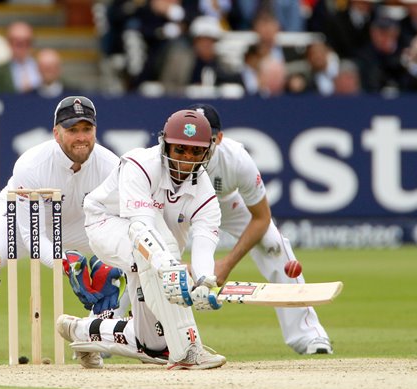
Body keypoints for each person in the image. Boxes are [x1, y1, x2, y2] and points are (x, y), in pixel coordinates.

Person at [0, 96, 122, 366]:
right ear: (56, 133)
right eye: (72, 130)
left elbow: (122, 221)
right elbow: (32, 235)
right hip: (21, 222)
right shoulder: (32, 164)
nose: (81, 137)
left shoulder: (111, 166)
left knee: (126, 256)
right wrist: (63, 261)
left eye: (86, 129)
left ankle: (90, 339)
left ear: (95, 131)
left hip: (80, 227)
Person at [57, 109, 227, 370]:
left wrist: (205, 281)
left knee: (153, 344)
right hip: (107, 223)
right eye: (180, 150)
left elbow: (204, 243)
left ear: (207, 154)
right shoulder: (139, 165)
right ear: (165, 145)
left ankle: (80, 331)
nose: (186, 159)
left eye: (195, 152)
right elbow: (141, 229)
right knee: (158, 248)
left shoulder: (205, 193)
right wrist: (168, 266)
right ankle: (189, 349)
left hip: (154, 252)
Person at [189, 103, 333, 355]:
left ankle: (309, 335)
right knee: (143, 252)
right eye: (194, 139)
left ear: (219, 138)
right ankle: (119, 329)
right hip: (177, 205)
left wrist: (226, 264)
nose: (199, 148)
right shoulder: (167, 155)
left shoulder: (236, 160)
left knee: (273, 242)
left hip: (223, 204)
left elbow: (261, 217)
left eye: (207, 139)